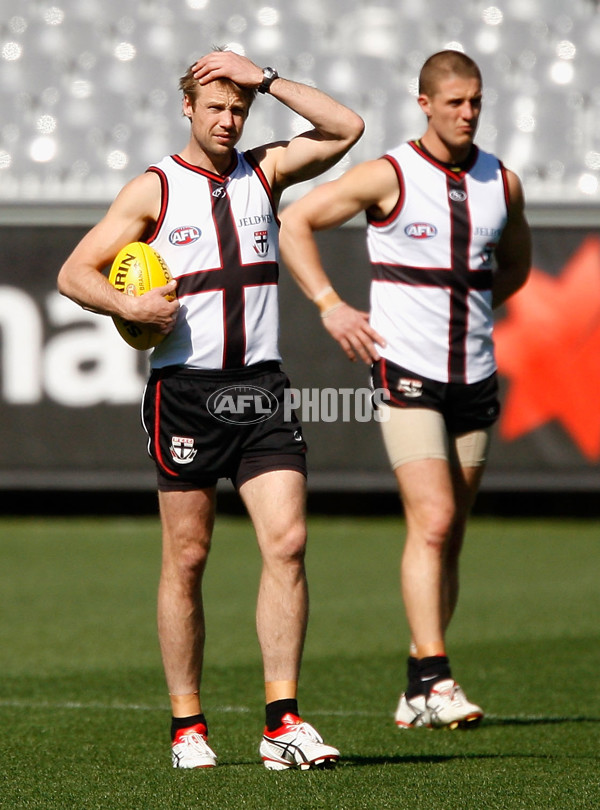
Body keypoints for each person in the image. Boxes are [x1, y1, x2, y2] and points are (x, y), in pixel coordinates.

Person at [58, 48, 364, 769]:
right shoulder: (154, 189)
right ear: (188, 108)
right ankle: (187, 727)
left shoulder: (266, 170)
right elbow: (76, 271)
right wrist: (125, 302)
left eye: (239, 109)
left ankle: (282, 723)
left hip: (262, 390)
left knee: (287, 543)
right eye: (216, 107)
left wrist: (264, 76)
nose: (228, 120)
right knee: (188, 557)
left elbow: (346, 127)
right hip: (186, 395)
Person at [279, 50, 531, 730]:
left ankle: (417, 686)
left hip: (475, 375)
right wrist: (331, 303)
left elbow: (516, 267)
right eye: (454, 102)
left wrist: (467, 308)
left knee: (449, 536)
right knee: (436, 518)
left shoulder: (500, 182)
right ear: (425, 104)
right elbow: (296, 222)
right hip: (405, 374)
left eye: (476, 100)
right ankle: (436, 677)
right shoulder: (389, 174)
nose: (468, 112)